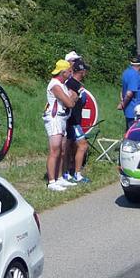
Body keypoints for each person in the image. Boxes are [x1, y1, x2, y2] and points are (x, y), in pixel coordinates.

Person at [44, 59, 77, 191]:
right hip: (54, 119)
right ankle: (52, 181)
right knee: (55, 149)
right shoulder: (55, 85)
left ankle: (59, 178)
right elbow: (70, 102)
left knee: (62, 150)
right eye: (69, 71)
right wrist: (71, 98)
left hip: (62, 118)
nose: (71, 73)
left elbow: (73, 96)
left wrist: (72, 98)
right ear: (63, 72)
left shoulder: (62, 84)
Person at [63, 59, 93, 184]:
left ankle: (66, 172)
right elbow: (75, 99)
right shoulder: (75, 84)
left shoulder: (69, 82)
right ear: (82, 71)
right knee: (83, 145)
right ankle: (77, 174)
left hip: (71, 119)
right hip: (73, 120)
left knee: (68, 146)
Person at [117, 54, 140, 133]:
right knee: (136, 135)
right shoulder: (134, 75)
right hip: (136, 112)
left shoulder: (126, 72)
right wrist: (123, 104)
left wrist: (122, 101)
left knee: (129, 133)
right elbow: (129, 93)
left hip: (131, 111)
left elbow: (122, 90)